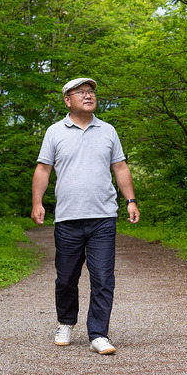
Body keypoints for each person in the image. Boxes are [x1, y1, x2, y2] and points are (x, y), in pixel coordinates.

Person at [31, 77, 140, 355]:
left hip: (103, 218)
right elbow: (43, 170)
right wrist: (37, 202)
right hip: (68, 219)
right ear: (68, 100)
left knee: (103, 277)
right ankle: (65, 323)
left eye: (91, 92)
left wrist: (131, 200)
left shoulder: (108, 130)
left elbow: (121, 167)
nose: (88, 96)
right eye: (81, 93)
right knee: (66, 277)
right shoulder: (54, 132)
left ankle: (98, 334)